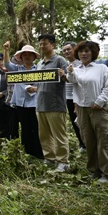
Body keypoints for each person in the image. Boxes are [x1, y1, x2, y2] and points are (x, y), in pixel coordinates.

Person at [67, 41, 108, 184]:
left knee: (104, 140)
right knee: (88, 140)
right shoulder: (77, 69)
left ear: (93, 53)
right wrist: (70, 72)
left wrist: (99, 102)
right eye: (81, 51)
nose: (83, 54)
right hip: (82, 109)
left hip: (99, 109)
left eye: (87, 51)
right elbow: (72, 82)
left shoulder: (101, 68)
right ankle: (95, 170)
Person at [3, 42, 44, 159]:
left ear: (34, 57)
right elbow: (6, 64)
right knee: (25, 129)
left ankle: (38, 154)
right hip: (21, 104)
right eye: (24, 55)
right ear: (20, 57)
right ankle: (28, 153)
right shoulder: (17, 69)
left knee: (36, 129)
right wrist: (6, 50)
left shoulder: (39, 69)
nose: (27, 56)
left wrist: (36, 88)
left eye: (30, 54)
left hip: (35, 103)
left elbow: (45, 83)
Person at [36, 34, 70, 172]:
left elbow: (69, 79)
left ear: (53, 45)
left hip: (55, 105)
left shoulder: (60, 60)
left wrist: (63, 75)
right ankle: (49, 159)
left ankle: (63, 162)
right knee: (44, 135)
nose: (42, 46)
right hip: (40, 104)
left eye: (45, 44)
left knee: (59, 135)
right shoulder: (39, 63)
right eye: (40, 44)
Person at [61, 41, 86, 152]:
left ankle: (88, 143)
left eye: (68, 49)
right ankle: (82, 144)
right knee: (74, 121)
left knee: (83, 121)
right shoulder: (65, 64)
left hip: (80, 97)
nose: (66, 52)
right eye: (64, 50)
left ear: (75, 49)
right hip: (68, 97)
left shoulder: (81, 63)